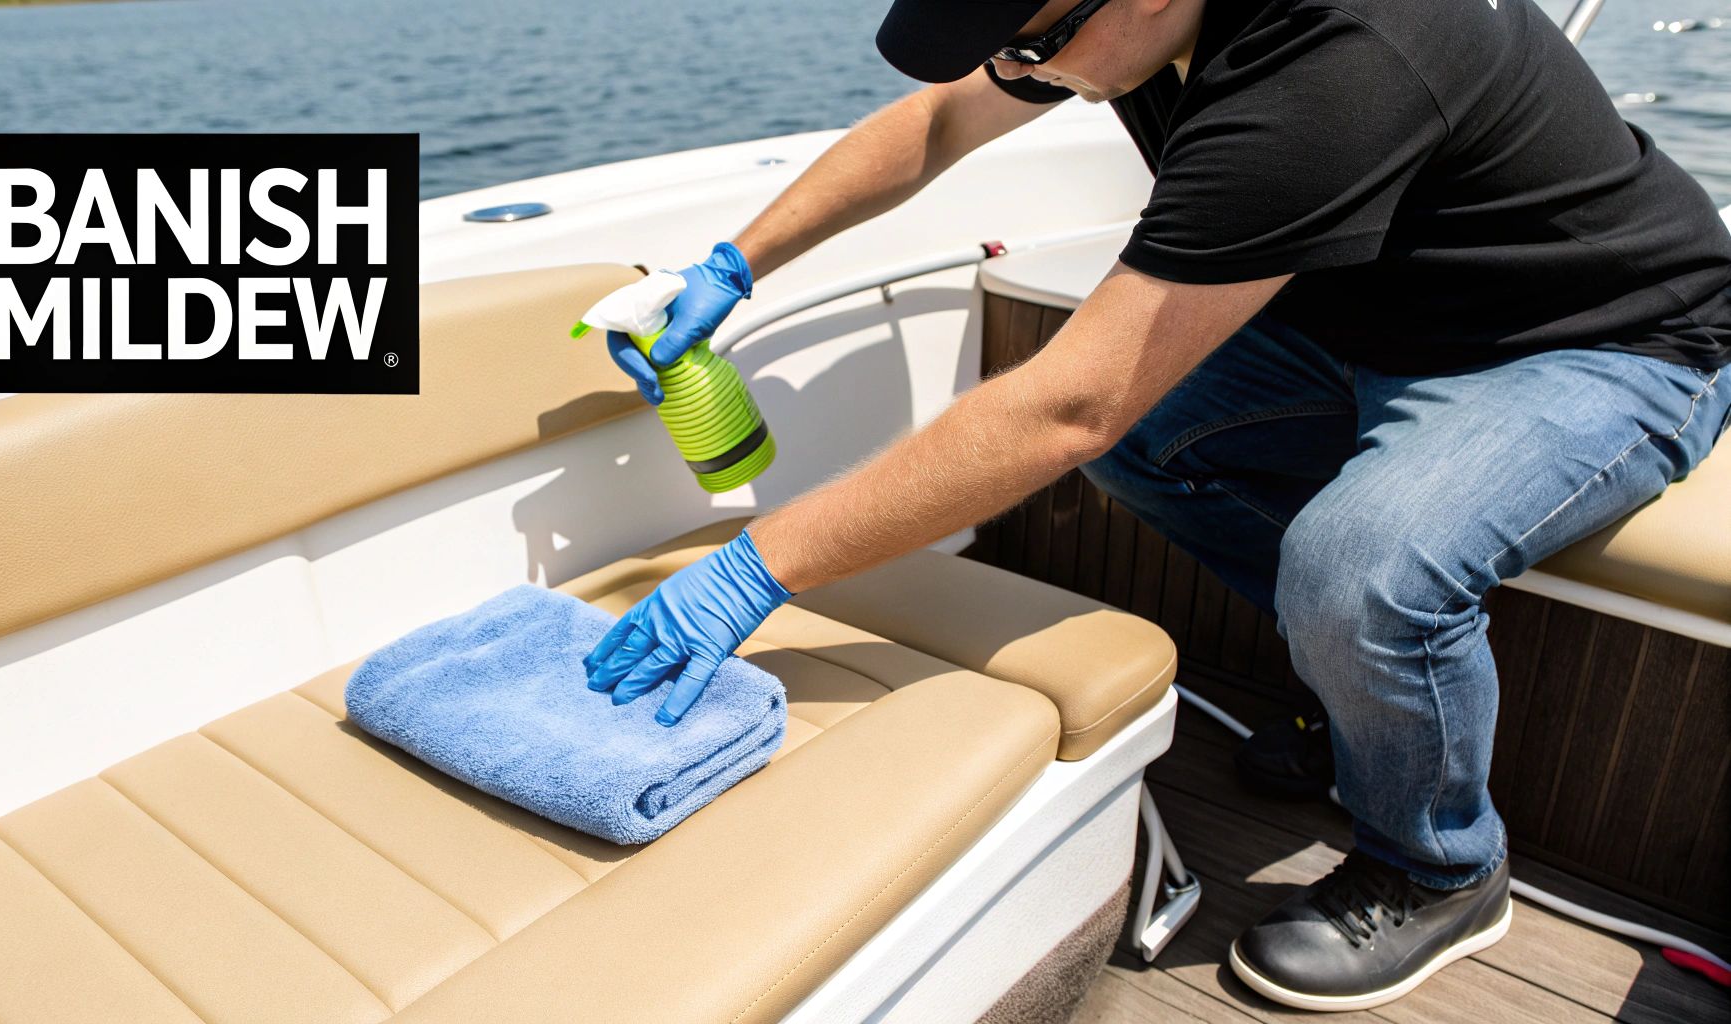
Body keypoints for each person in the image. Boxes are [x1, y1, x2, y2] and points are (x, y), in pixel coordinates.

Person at [582, 0, 1731, 1010]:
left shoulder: (1343, 50)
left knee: (1356, 570)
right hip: (1363, 317)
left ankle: (1435, 866)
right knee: (1151, 452)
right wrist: (732, 263)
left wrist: (754, 568)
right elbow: (939, 120)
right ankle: (1366, 687)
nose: (1025, 74)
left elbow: (1066, 405)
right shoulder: (1114, 23)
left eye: (1034, 44)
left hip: (1593, 342)